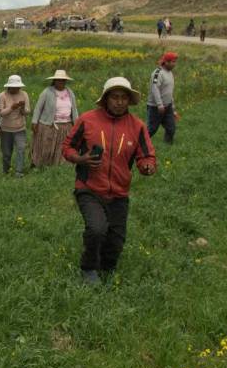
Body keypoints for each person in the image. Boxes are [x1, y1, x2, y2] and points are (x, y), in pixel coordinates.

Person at [61, 77, 157, 286]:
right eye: (115, 97)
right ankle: (88, 268)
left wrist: (147, 166)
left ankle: (107, 268)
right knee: (96, 229)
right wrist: (80, 158)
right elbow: (67, 148)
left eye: (124, 98)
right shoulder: (87, 120)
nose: (119, 102)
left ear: (129, 101)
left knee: (116, 239)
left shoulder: (137, 126)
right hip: (89, 188)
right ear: (106, 99)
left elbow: (146, 155)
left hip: (119, 193)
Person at [30, 70, 79, 168]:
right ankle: (43, 164)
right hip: (50, 124)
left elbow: (74, 108)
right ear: (55, 81)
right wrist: (34, 122)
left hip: (66, 124)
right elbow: (38, 107)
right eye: (59, 80)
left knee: (63, 147)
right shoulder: (47, 92)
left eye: (63, 80)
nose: (61, 82)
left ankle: (62, 165)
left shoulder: (69, 92)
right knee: (47, 147)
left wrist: (77, 123)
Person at [0, 75, 30, 177]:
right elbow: (1, 113)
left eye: (18, 87)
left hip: (20, 128)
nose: (16, 89)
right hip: (6, 129)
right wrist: (11, 108)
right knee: (6, 153)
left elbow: (27, 112)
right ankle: (6, 171)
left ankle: (18, 172)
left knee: (21, 149)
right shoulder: (2, 95)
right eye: (14, 87)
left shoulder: (24, 94)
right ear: (9, 86)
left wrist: (22, 108)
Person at [146, 52, 179, 145]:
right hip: (155, 107)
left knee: (171, 128)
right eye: (173, 62)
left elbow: (169, 92)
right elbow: (155, 89)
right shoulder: (157, 73)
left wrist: (173, 109)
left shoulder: (170, 73)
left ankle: (167, 146)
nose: (175, 64)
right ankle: (138, 145)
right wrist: (159, 105)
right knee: (151, 129)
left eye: (175, 61)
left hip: (167, 106)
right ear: (166, 62)